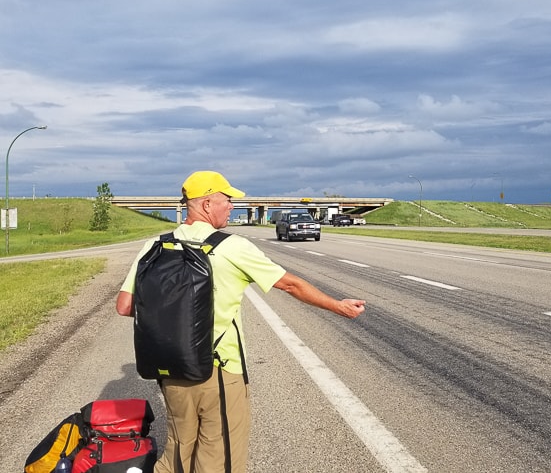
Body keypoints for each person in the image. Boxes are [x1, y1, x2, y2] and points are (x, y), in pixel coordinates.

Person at [116, 170, 366, 473]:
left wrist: (171, 315)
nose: (232, 206)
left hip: (170, 369)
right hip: (219, 370)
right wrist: (337, 306)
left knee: (177, 454)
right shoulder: (231, 247)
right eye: (227, 200)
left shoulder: (154, 246)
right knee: (219, 459)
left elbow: (125, 306)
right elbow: (290, 285)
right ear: (207, 204)